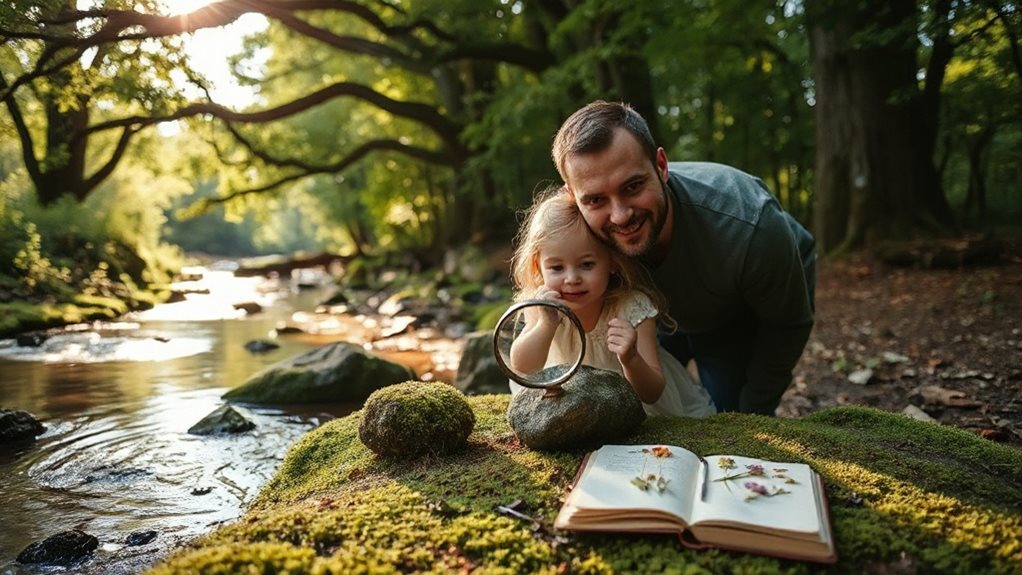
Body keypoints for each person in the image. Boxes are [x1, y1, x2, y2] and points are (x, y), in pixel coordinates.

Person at [551, 100, 816, 415]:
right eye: (595, 199)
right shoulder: (577, 233)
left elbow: (786, 325)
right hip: (653, 316)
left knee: (732, 415)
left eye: (633, 186)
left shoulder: (750, 226)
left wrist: (756, 411)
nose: (620, 216)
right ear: (571, 196)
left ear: (661, 166)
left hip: (734, 310)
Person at [507, 187, 716, 418]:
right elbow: (523, 366)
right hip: (569, 408)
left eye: (587, 264)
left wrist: (631, 358)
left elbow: (652, 392)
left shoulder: (631, 307)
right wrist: (545, 326)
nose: (572, 279)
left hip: (633, 411)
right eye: (556, 267)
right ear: (538, 266)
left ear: (613, 262)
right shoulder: (542, 306)